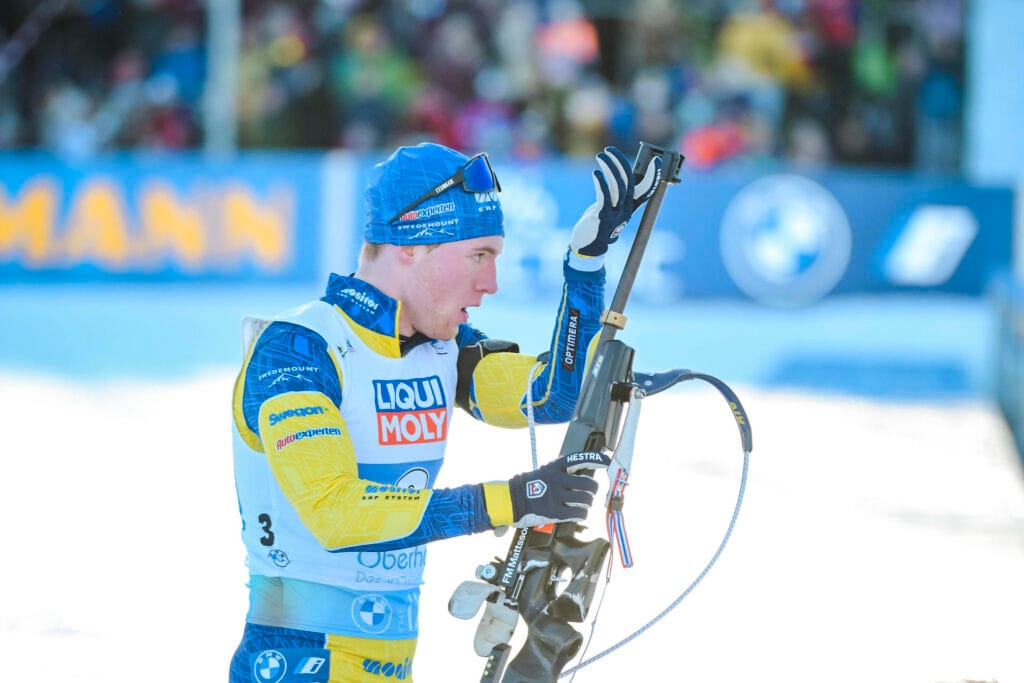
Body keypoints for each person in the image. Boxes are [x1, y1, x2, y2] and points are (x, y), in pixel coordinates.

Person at [228, 142, 662, 682]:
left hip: (388, 664)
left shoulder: (443, 348)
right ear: (413, 245)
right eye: (479, 255)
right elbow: (333, 512)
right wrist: (512, 499)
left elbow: (556, 397)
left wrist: (587, 266)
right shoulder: (298, 348)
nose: (491, 284)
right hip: (296, 663)